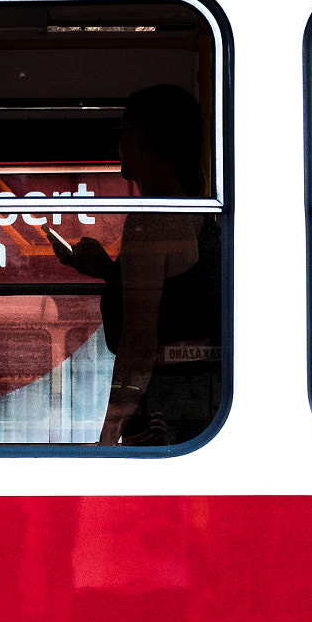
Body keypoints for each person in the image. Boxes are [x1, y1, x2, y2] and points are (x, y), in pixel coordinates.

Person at [51, 84, 221, 446]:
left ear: (140, 134)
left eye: (122, 132)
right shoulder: (199, 209)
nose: (119, 144)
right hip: (203, 400)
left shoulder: (152, 218)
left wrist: (109, 433)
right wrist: (111, 272)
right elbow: (181, 298)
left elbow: (140, 340)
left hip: (168, 408)